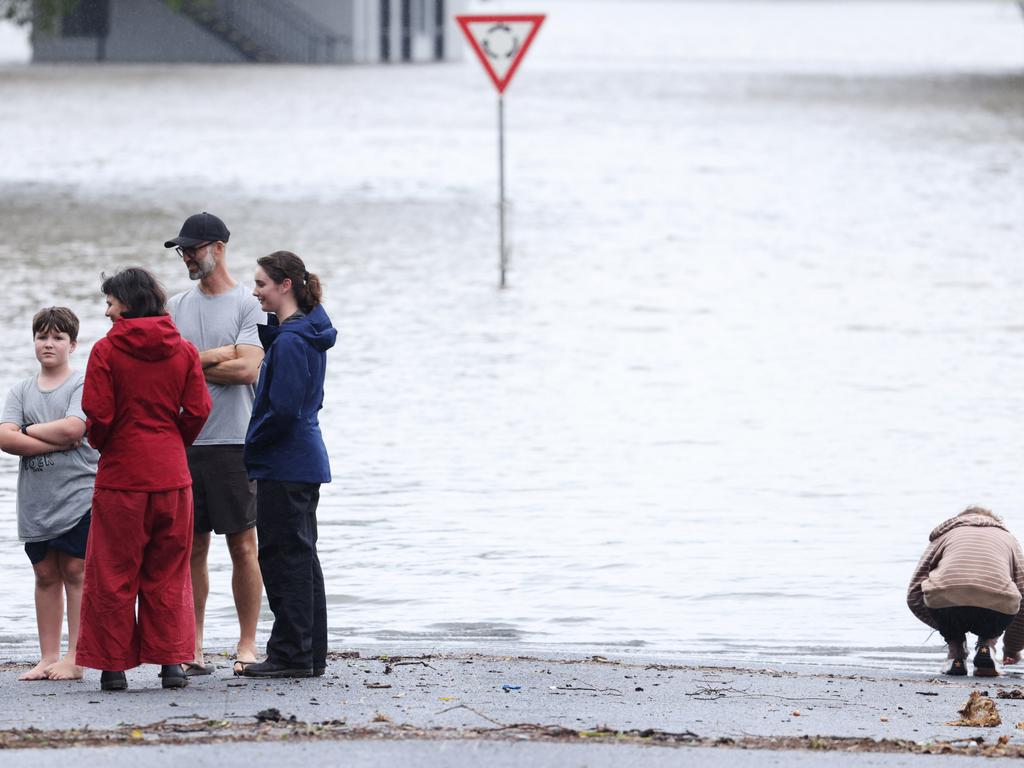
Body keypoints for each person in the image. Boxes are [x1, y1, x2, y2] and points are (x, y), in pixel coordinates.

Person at [76, 268, 211, 691]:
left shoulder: (106, 351)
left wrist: (105, 444)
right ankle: (172, 663)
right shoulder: (185, 350)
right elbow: (200, 409)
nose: (107, 311)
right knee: (169, 571)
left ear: (129, 304)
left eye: (111, 303)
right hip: (171, 474)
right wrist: (174, 440)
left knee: (113, 571)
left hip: (122, 476)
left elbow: (98, 413)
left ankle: (113, 668)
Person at [164, 212, 265, 676]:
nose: (186, 256)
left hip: (234, 440)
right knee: (191, 548)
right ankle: (194, 645)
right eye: (182, 250)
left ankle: (247, 644)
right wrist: (213, 357)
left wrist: (191, 364)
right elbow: (165, 371)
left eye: (194, 248)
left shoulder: (249, 304)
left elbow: (248, 370)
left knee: (243, 545)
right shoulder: (175, 306)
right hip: (184, 440)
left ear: (219, 248)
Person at [242, 251, 335, 679]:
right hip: (298, 460)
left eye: (262, 284)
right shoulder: (300, 332)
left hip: (286, 461)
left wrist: (253, 445)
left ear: (285, 285)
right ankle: (308, 652)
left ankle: (292, 653)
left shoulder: (294, 340)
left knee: (284, 558)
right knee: (300, 554)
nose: (256, 291)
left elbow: (284, 410)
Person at [0, 307, 98, 682]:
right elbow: (6, 437)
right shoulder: (21, 389)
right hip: (35, 500)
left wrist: (31, 430)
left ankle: (76, 655)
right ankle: (47, 656)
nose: (49, 344)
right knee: (44, 574)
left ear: (72, 344)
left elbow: (75, 428)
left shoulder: (80, 384)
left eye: (58, 338)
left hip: (78, 496)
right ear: (34, 342)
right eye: (43, 337)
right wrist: (52, 440)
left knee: (75, 570)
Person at [907, 505, 1024, 677]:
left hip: (946, 603)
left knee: (943, 598)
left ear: (958, 520)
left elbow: (914, 592)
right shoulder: (1008, 539)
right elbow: (1023, 593)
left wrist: (946, 630)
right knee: (1000, 597)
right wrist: (1012, 649)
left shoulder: (945, 536)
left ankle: (956, 655)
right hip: (996, 609)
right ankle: (987, 647)